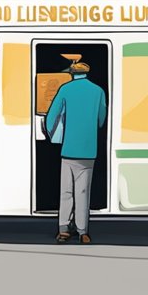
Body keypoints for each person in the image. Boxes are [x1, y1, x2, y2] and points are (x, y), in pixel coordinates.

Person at [44, 55, 107, 244]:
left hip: (69, 149)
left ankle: (63, 229)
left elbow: (51, 117)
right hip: (89, 150)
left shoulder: (65, 89)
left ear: (72, 74)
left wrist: (51, 134)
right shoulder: (98, 91)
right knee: (83, 192)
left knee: (66, 191)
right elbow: (101, 119)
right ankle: (83, 231)